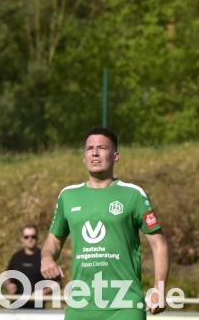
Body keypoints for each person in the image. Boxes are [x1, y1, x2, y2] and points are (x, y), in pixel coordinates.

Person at [41, 127, 169, 320]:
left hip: (125, 305)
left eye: (101, 147)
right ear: (84, 157)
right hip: (80, 305)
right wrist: (47, 258)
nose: (94, 152)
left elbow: (159, 245)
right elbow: (53, 241)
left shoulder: (133, 194)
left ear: (115, 156)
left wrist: (159, 288)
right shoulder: (68, 196)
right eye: (89, 148)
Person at [3, 225, 57, 308]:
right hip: (17, 308)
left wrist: (44, 292)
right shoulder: (16, 257)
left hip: (37, 308)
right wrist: (8, 285)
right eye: (26, 237)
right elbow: (6, 277)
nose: (30, 239)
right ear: (22, 239)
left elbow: (57, 283)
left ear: (37, 238)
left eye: (33, 236)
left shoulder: (44, 257)